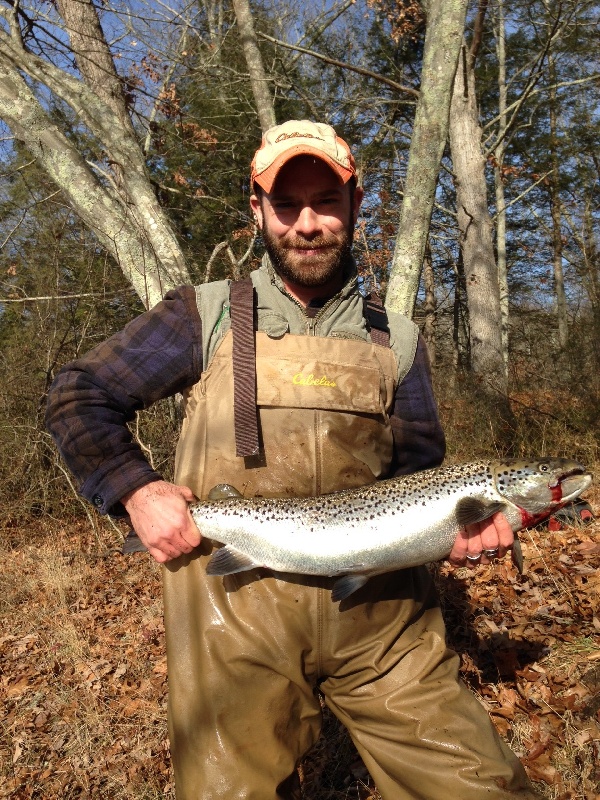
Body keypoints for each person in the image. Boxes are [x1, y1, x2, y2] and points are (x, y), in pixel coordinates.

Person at [46, 120, 537, 799]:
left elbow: (420, 471)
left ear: (355, 206)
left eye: (326, 202)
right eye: (287, 205)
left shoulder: (398, 340)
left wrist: (455, 534)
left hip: (385, 626)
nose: (307, 224)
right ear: (258, 211)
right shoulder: (202, 315)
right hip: (233, 624)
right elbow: (79, 394)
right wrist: (136, 489)